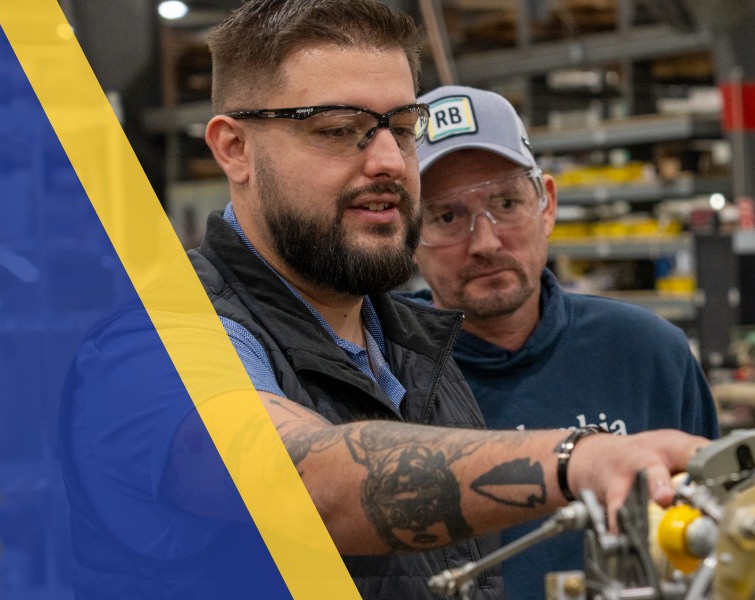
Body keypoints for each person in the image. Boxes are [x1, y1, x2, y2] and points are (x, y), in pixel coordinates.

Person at [62, 1, 705, 598]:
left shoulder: (412, 345)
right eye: (340, 130)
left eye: (401, 127)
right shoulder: (153, 346)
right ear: (235, 148)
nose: (391, 162)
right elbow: (308, 484)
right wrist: (574, 460)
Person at [407, 85, 720, 598]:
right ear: (408, 235)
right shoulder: (382, 372)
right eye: (446, 216)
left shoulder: (648, 355)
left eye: (505, 203)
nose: (484, 243)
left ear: (546, 205)